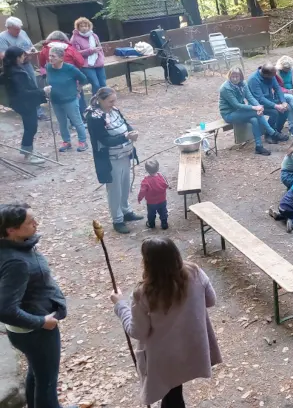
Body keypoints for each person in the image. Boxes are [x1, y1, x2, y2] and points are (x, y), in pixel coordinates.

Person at [111, 236, 222, 407]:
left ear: (148, 263)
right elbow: (210, 300)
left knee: (172, 397)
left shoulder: (144, 293)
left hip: (166, 358)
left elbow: (137, 331)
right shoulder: (195, 272)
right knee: (174, 394)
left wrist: (120, 305)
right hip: (190, 347)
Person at [0, 203, 76, 408]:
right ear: (11, 230)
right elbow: (5, 309)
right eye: (29, 222)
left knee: (38, 372)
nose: (36, 223)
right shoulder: (16, 262)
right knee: (47, 383)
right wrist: (41, 322)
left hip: (26, 332)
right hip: (35, 333)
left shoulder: (14, 247)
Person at [85, 87, 144, 234]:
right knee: (114, 190)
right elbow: (104, 139)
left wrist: (131, 131)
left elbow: (125, 123)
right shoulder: (94, 117)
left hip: (124, 154)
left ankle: (126, 211)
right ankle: (117, 220)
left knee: (125, 185)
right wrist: (125, 137)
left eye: (114, 100)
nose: (113, 103)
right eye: (110, 101)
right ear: (101, 100)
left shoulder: (114, 110)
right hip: (110, 159)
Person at [218, 68, 282, 156]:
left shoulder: (243, 84)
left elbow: (250, 97)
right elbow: (236, 105)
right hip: (229, 114)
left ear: (241, 76)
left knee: (254, 119)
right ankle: (272, 132)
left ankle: (258, 147)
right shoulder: (225, 88)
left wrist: (258, 107)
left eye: (237, 76)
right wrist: (255, 108)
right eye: (233, 76)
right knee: (256, 114)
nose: (235, 78)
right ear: (229, 76)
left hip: (240, 111)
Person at [2, 47, 50, 164]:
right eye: (22, 56)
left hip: (20, 102)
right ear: (17, 58)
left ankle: (28, 150)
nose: (24, 57)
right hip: (25, 103)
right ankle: (28, 154)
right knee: (31, 128)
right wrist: (43, 91)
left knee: (30, 127)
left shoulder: (10, 69)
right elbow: (24, 93)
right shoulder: (15, 73)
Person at [45, 45, 89, 152]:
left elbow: (83, 79)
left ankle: (83, 141)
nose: (51, 58)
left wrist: (78, 90)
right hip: (55, 100)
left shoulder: (70, 68)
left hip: (70, 100)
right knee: (62, 122)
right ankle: (66, 141)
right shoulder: (48, 67)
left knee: (77, 121)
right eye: (50, 55)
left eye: (54, 56)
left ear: (61, 58)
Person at [0, 17, 44, 120]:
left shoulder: (23, 33)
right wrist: (21, 54)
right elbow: (2, 55)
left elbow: (30, 45)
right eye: (16, 29)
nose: (18, 31)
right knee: (21, 88)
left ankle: (38, 111)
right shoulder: (2, 37)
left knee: (33, 85)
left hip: (27, 64)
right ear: (9, 28)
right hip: (14, 67)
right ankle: (25, 109)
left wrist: (32, 50)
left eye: (19, 28)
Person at [37, 31, 88, 114]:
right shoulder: (70, 48)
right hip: (71, 76)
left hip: (54, 77)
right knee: (77, 95)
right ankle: (82, 115)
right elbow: (81, 62)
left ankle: (67, 118)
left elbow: (42, 63)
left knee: (60, 98)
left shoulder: (46, 49)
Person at [247, 63, 292, 141]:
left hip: (270, 100)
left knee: (286, 109)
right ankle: (268, 134)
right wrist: (276, 106)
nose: (273, 78)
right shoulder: (253, 80)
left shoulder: (271, 74)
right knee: (274, 112)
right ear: (265, 75)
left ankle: (276, 131)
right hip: (257, 105)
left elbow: (277, 88)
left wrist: (283, 102)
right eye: (272, 76)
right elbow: (260, 98)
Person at [70, 17, 107, 93]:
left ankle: (104, 101)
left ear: (89, 26)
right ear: (78, 27)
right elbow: (76, 53)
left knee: (103, 84)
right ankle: (95, 102)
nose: (84, 28)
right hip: (86, 65)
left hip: (98, 62)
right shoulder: (75, 38)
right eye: (81, 26)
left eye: (86, 26)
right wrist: (90, 51)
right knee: (96, 84)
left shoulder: (94, 36)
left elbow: (99, 47)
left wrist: (102, 58)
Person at [138, 159, 171, 230]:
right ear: (158, 168)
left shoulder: (145, 181)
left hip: (151, 202)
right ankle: (164, 224)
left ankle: (151, 224)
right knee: (163, 213)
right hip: (162, 200)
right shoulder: (161, 177)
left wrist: (140, 198)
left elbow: (142, 191)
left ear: (147, 170)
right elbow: (166, 184)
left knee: (151, 214)